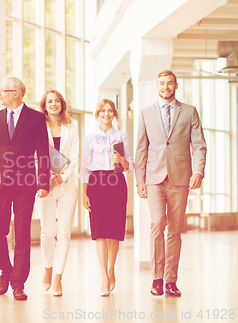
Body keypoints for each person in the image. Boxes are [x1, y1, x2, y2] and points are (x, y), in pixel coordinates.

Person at [0, 76, 50, 301]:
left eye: (2, 91)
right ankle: (5, 269)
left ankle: (18, 282)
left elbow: (43, 152)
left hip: (25, 184)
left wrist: (43, 182)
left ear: (15, 93)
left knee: (22, 232)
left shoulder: (36, 119)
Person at [135, 70, 206, 297]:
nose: (165, 87)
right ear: (157, 87)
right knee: (157, 223)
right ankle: (156, 278)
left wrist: (198, 171)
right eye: (161, 83)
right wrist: (140, 180)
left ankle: (170, 281)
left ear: (176, 85)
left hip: (181, 177)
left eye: (169, 83)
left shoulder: (189, 111)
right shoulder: (146, 113)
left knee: (175, 230)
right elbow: (140, 148)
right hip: (154, 178)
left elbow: (199, 145)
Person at [79, 99, 134, 297]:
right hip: (96, 183)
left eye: (110, 111)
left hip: (117, 182)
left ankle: (111, 269)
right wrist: (83, 192)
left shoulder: (122, 136)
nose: (106, 114)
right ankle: (104, 276)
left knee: (114, 231)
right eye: (103, 110)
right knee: (100, 231)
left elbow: (131, 164)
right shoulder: (90, 138)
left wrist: (121, 161)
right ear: (97, 114)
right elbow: (85, 167)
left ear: (114, 114)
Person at [36, 90, 79, 297]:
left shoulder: (72, 127)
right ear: (44, 105)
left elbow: (75, 156)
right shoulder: (38, 128)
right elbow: (33, 155)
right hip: (45, 185)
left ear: (62, 104)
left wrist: (63, 177)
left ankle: (57, 277)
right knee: (47, 231)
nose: (53, 104)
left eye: (57, 101)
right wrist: (45, 177)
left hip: (67, 186)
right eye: (49, 101)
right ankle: (47, 268)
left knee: (64, 233)